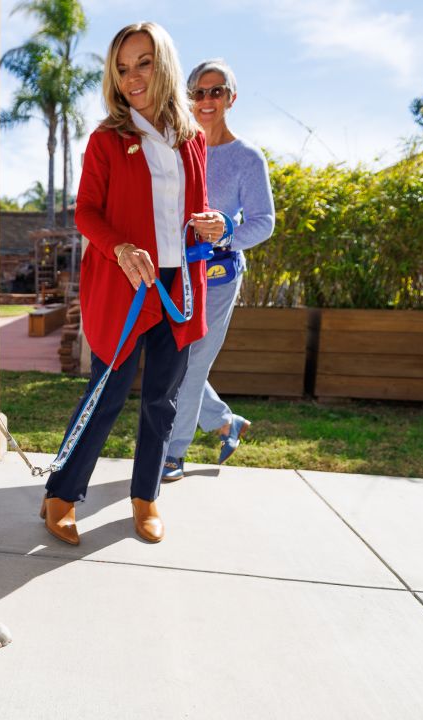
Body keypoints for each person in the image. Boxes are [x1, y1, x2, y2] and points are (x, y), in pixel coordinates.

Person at [40, 22, 225, 545]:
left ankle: (145, 498)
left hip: (180, 283)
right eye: (122, 68)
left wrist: (211, 223)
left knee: (162, 399)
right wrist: (120, 247)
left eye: (143, 63)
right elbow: (86, 212)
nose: (132, 77)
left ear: (162, 64)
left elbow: (192, 209)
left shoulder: (192, 139)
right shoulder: (107, 140)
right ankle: (60, 494)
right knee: (108, 392)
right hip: (128, 283)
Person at [161, 59, 276, 481]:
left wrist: (226, 230)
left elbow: (264, 222)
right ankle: (226, 423)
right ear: (187, 98)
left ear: (231, 97)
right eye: (198, 92)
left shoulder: (247, 158)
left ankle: (173, 453)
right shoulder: (175, 147)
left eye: (215, 91)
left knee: (193, 362)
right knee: (175, 358)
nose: (206, 100)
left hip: (219, 276)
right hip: (173, 273)